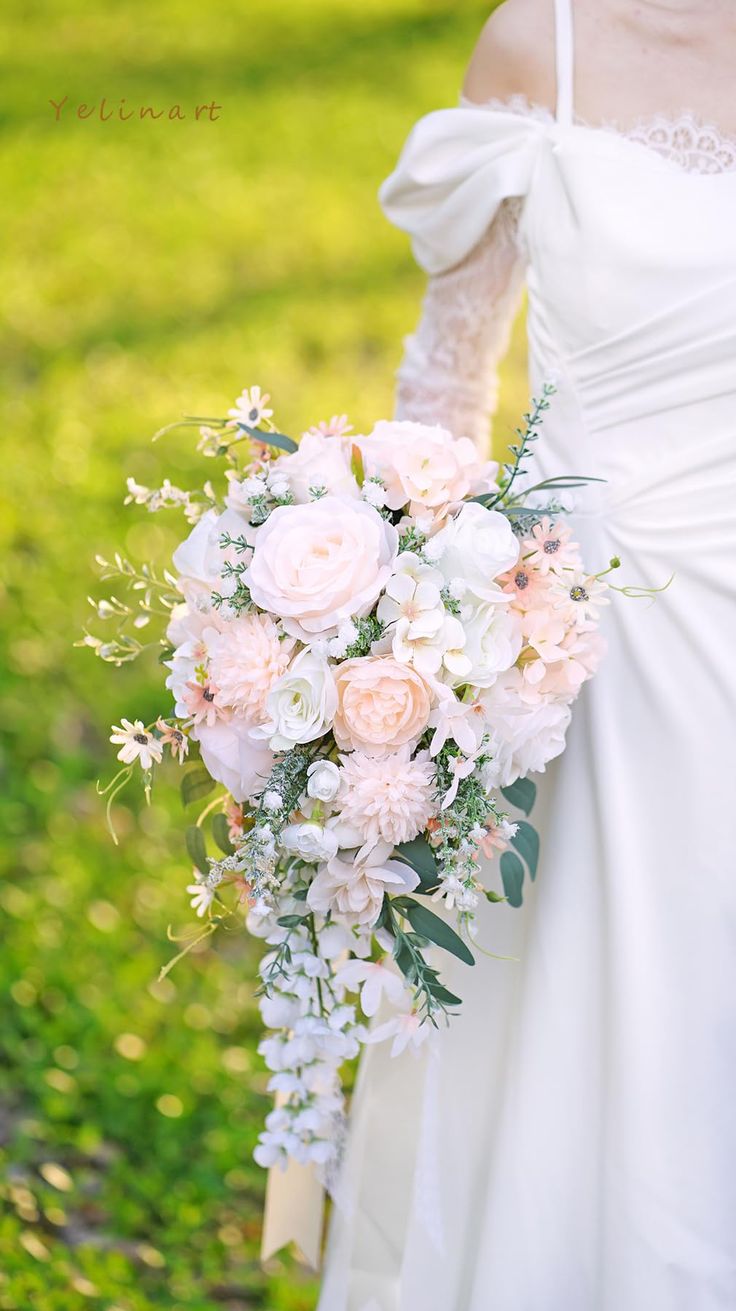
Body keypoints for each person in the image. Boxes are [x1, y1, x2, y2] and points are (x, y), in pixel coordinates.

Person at [316, 2, 736, 1308]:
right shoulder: (537, 42)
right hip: (572, 654)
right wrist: (399, 617)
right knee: (573, 1038)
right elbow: (448, 385)